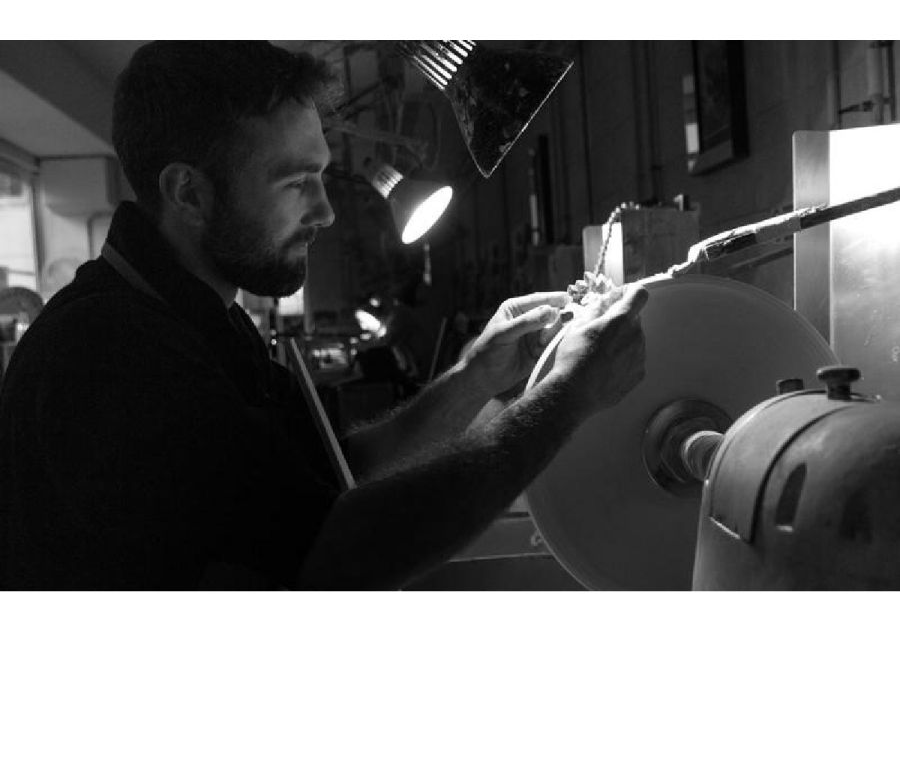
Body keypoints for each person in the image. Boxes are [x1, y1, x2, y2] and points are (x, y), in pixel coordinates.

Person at [0, 41, 648, 590]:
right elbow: (336, 558)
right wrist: (566, 399)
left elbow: (334, 473)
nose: (326, 211)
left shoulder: (204, 319)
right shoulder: (104, 353)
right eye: (294, 183)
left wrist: (474, 375)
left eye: (321, 176)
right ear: (189, 193)